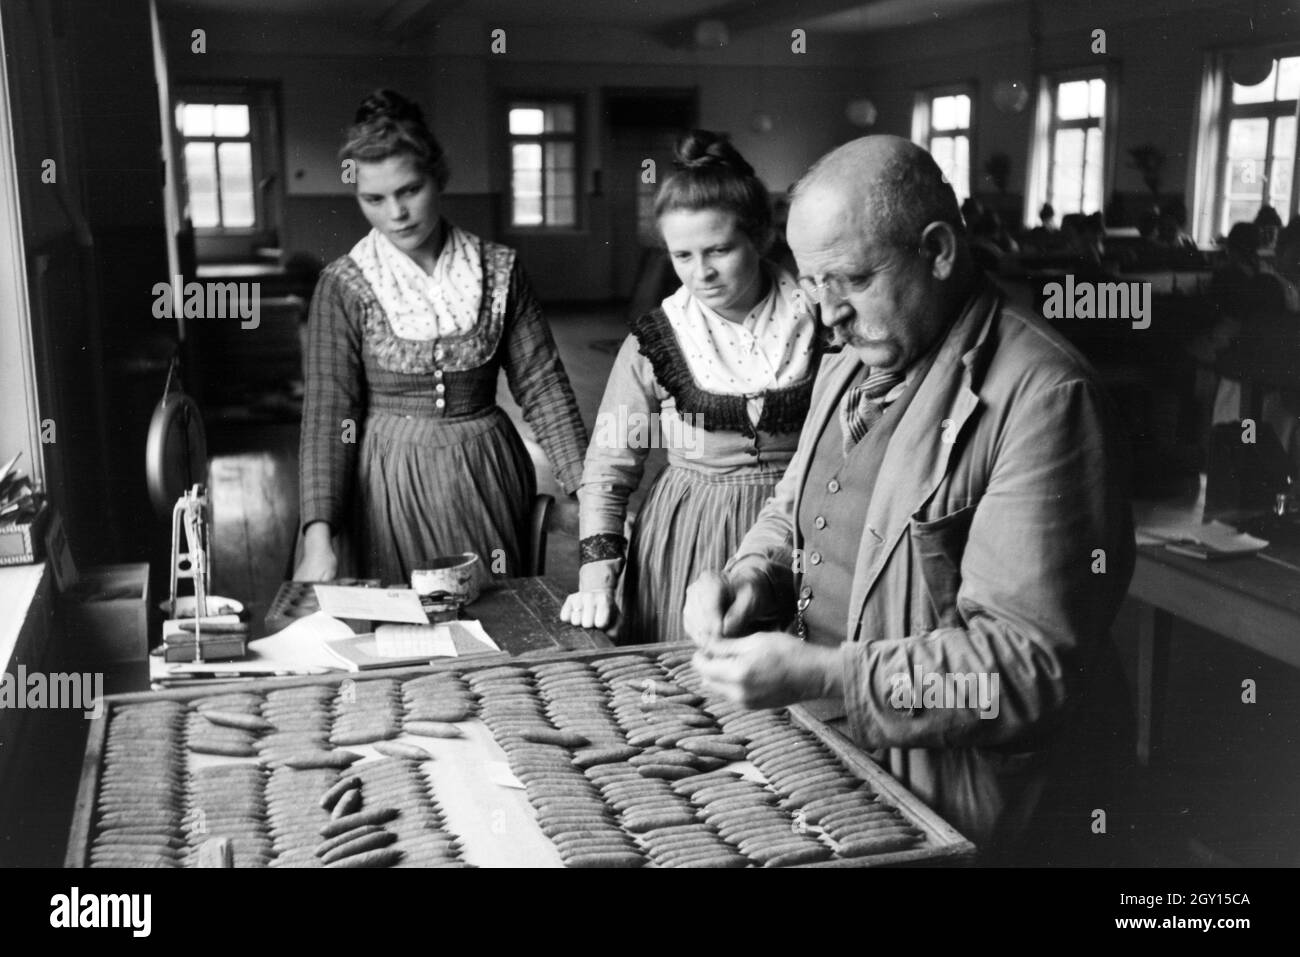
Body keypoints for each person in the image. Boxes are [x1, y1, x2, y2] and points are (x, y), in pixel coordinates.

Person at [682, 135, 1136, 865]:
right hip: (846, 759)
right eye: (811, 283)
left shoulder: (1044, 399)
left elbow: (1024, 667)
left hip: (960, 796)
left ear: (938, 250)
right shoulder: (850, 361)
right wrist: (751, 574)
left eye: (852, 279)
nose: (827, 314)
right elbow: (793, 501)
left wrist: (830, 675)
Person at [295, 90, 588, 587]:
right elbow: (329, 417)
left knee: (494, 619)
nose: (396, 214)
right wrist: (318, 538)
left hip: (486, 475)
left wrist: (586, 493)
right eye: (374, 199)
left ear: (439, 177)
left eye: (410, 190)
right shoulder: (344, 284)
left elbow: (544, 388)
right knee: (401, 631)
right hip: (387, 487)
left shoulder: (497, 270)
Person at [560, 131, 821, 644]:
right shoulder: (656, 339)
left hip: (803, 534)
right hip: (688, 535)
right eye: (682, 256)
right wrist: (598, 579)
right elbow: (609, 465)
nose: (701, 273)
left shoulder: (820, 320)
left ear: (762, 236)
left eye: (719, 249)